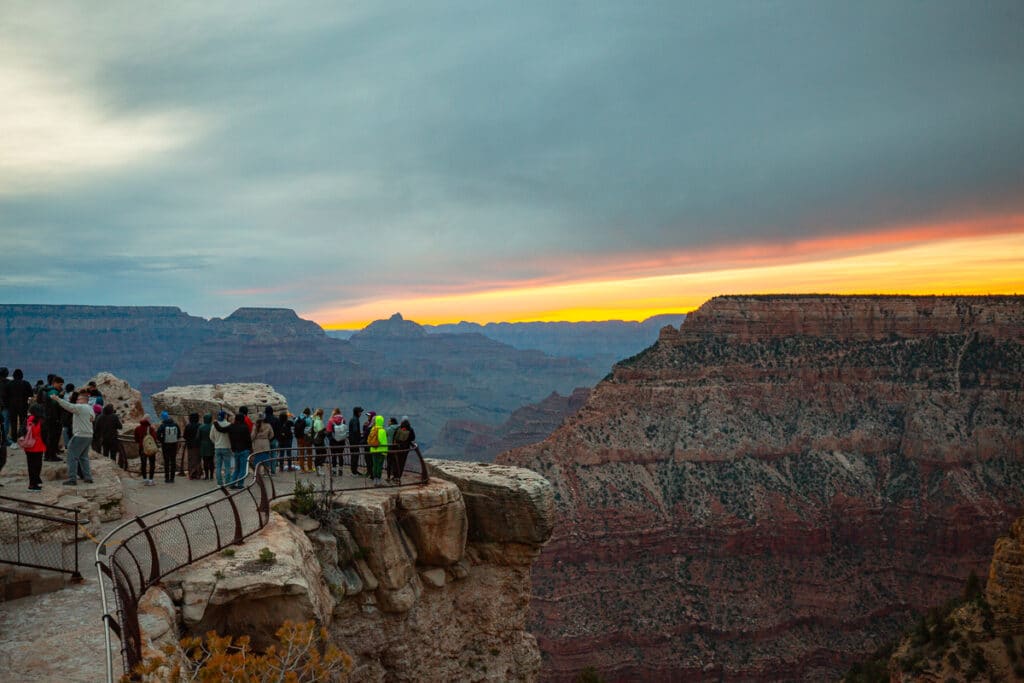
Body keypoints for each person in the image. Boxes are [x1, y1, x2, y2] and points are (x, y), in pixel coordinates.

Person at [214, 413, 252, 489]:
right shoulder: (245, 427)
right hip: (244, 450)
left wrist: (215, 423)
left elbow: (221, 429)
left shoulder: (232, 426)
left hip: (235, 450)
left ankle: (232, 483)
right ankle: (240, 484)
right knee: (242, 469)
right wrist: (250, 449)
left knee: (237, 468)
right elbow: (248, 440)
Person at [21, 407, 47, 491]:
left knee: (30, 465)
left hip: (29, 446)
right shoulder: (42, 421)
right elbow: (45, 434)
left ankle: (31, 483)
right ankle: (35, 483)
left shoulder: (27, 420)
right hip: (38, 445)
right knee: (37, 465)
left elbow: (21, 430)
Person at [43, 376, 64, 461]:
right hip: (53, 418)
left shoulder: (48, 390)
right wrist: (61, 399)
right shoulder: (53, 391)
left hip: (48, 417)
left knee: (50, 437)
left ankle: (48, 455)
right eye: (60, 384)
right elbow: (55, 403)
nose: (61, 386)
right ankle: (52, 456)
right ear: (55, 383)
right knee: (53, 437)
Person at [155, 411, 180, 483]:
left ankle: (167, 478)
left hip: (165, 445)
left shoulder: (163, 425)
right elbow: (178, 434)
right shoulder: (175, 424)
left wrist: (162, 440)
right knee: (173, 461)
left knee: (166, 461)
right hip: (174, 445)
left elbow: (158, 435)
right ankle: (172, 478)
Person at [7, 369, 32, 440]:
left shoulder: (9, 384)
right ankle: (22, 436)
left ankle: (14, 439)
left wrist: (7, 404)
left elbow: (5, 395)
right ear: (22, 376)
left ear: (14, 376)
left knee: (13, 423)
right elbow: (31, 394)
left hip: (12, 406)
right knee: (23, 422)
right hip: (23, 406)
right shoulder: (26, 383)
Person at [211, 410, 233, 486]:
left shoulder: (214, 425)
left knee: (218, 466)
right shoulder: (229, 425)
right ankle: (227, 482)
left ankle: (219, 483)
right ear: (225, 416)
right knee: (227, 466)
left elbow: (211, 437)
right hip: (226, 446)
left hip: (217, 447)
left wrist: (216, 443)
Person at [134, 417, 158, 485]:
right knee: (152, 464)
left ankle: (145, 479)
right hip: (150, 448)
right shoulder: (151, 429)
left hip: (142, 448)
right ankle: (151, 479)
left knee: (143, 464)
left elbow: (136, 439)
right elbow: (154, 438)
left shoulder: (137, 428)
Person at [393, 416, 416, 482]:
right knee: (402, 463)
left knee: (396, 462)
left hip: (397, 448)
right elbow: (413, 438)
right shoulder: (410, 429)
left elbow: (394, 437)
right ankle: (399, 477)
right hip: (405, 449)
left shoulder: (398, 428)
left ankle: (395, 476)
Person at [367, 414, 388, 486]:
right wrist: (385, 452)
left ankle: (374, 479)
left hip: (373, 449)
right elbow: (384, 442)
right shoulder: (382, 431)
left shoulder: (373, 429)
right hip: (380, 450)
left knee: (374, 465)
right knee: (379, 465)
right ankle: (378, 479)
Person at [326, 408, 346, 475]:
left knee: (333, 456)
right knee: (340, 455)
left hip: (333, 441)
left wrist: (331, 439)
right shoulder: (343, 420)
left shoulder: (331, 421)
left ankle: (334, 471)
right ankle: (340, 470)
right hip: (342, 441)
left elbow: (328, 432)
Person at [184, 413, 202, 479]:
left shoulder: (188, 426)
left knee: (191, 459)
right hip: (198, 445)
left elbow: (185, 436)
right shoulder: (200, 426)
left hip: (190, 445)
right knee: (198, 459)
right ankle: (198, 473)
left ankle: (191, 474)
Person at [294, 408, 312, 473]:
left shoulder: (298, 418)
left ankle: (302, 469)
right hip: (307, 437)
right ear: (309, 413)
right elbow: (311, 426)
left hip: (299, 437)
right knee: (309, 452)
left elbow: (294, 424)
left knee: (301, 453)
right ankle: (309, 468)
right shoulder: (309, 419)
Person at [348, 406, 365, 475]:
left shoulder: (353, 419)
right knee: (355, 456)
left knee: (354, 455)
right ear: (357, 412)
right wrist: (360, 438)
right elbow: (355, 430)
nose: (361, 413)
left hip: (352, 441)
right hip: (354, 441)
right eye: (360, 412)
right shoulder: (355, 419)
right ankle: (354, 471)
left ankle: (354, 471)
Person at [310, 408, 326, 474]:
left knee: (318, 453)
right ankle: (319, 467)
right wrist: (325, 430)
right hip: (319, 440)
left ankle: (317, 468)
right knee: (322, 453)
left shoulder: (314, 420)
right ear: (321, 414)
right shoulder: (318, 421)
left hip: (315, 440)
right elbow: (320, 431)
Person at [198, 414, 215, 480]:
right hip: (211, 445)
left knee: (205, 461)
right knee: (211, 461)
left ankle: (206, 475)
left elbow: (198, 437)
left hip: (203, 446)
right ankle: (211, 475)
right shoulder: (213, 426)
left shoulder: (201, 427)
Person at [384, 417, 399, 482]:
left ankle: (388, 477)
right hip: (397, 447)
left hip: (390, 447)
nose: (388, 422)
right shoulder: (399, 428)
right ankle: (396, 476)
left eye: (389, 421)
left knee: (389, 462)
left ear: (392, 422)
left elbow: (385, 435)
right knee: (396, 462)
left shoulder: (389, 429)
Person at [0, 367, 10, 445]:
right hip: (5, 406)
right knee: (5, 423)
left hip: (3, 405)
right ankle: (4, 440)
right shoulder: (8, 383)